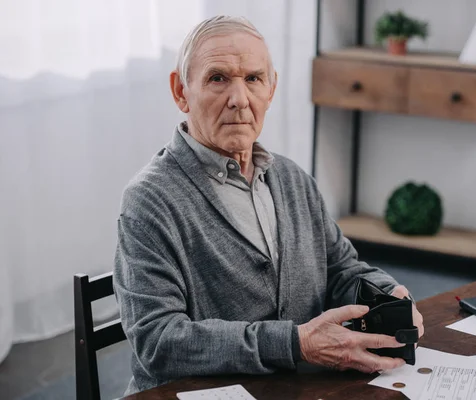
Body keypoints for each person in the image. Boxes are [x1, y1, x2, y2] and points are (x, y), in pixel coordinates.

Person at [113, 15, 424, 395]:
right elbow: (158, 341)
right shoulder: (149, 200)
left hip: (293, 388)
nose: (239, 99)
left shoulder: (292, 179)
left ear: (271, 90)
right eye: (217, 78)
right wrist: (296, 344)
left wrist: (386, 292)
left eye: (254, 79)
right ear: (181, 91)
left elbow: (341, 268)